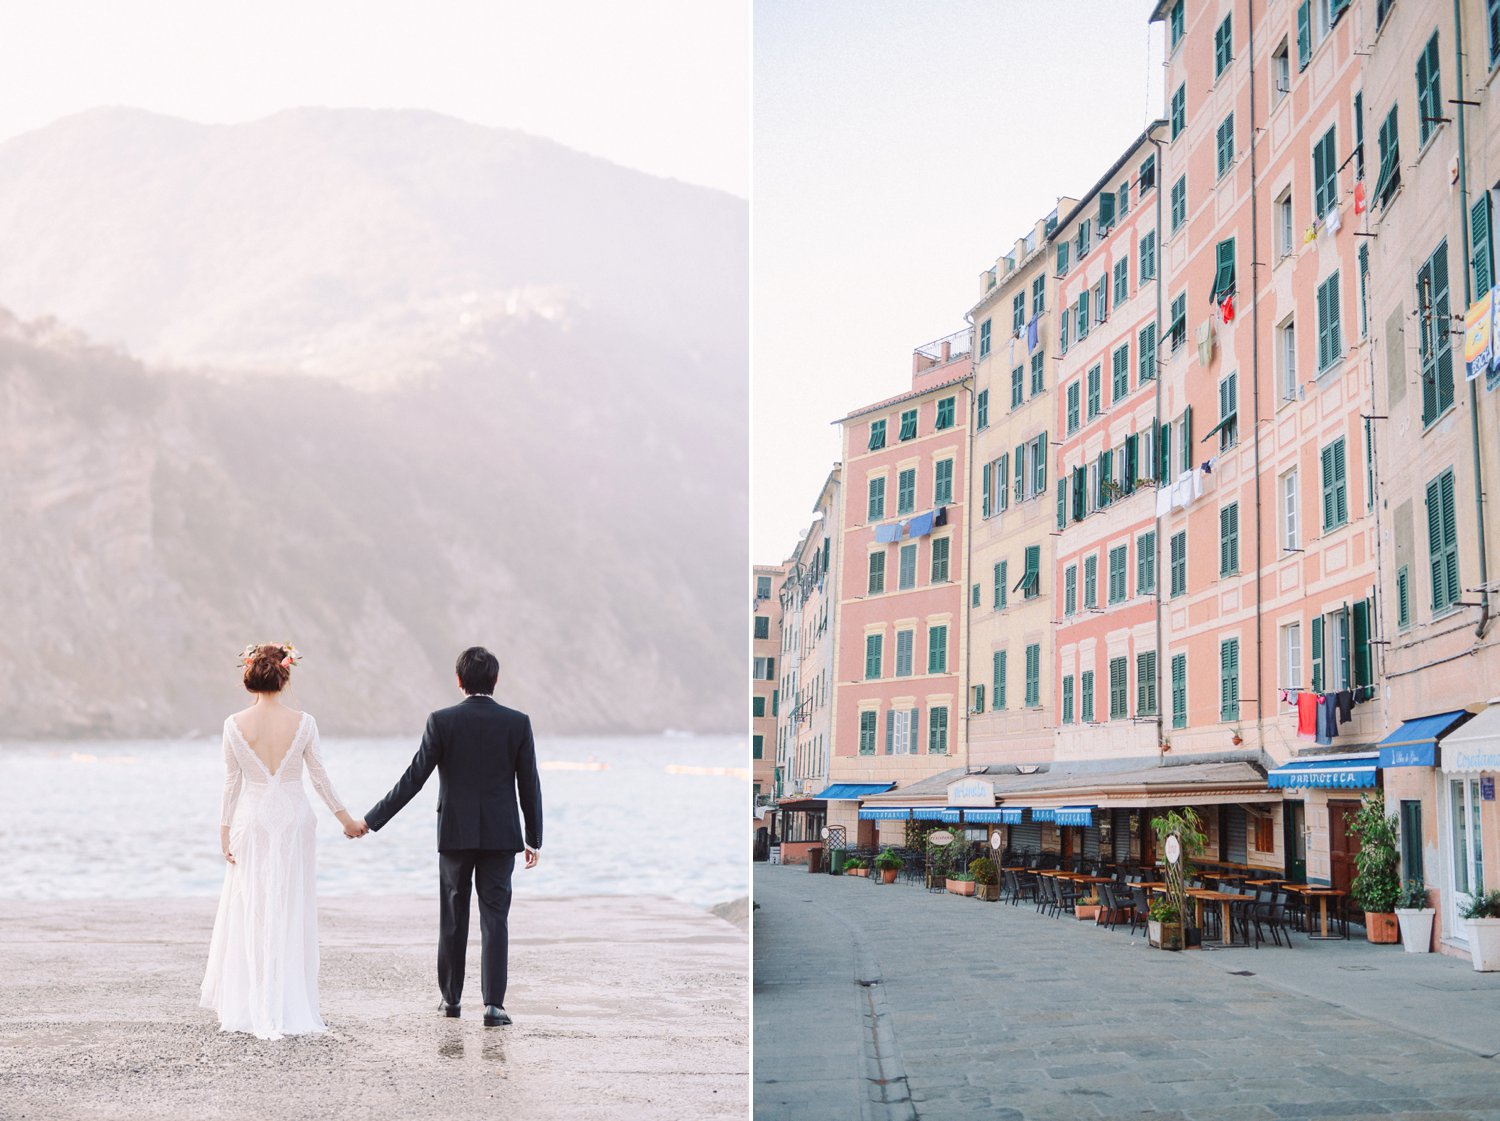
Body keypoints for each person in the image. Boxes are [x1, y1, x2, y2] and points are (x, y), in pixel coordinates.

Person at [352, 646, 542, 1027]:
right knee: (495, 920)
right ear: (496, 680)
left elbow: (414, 778)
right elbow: (529, 783)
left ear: (459, 681)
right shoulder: (517, 722)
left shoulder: (442, 721)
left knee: (453, 917)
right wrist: (533, 837)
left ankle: (451, 1000)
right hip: (502, 836)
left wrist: (372, 820)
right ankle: (494, 1006)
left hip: (454, 834)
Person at [200, 643, 365, 1040]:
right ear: (285, 674)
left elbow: (231, 783)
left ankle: (256, 1002)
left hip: (252, 820)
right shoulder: (304, 722)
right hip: (294, 818)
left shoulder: (233, 724)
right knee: (290, 905)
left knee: (254, 907)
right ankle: (290, 1003)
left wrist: (223, 831)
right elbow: (319, 778)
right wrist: (347, 821)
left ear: (250, 674)